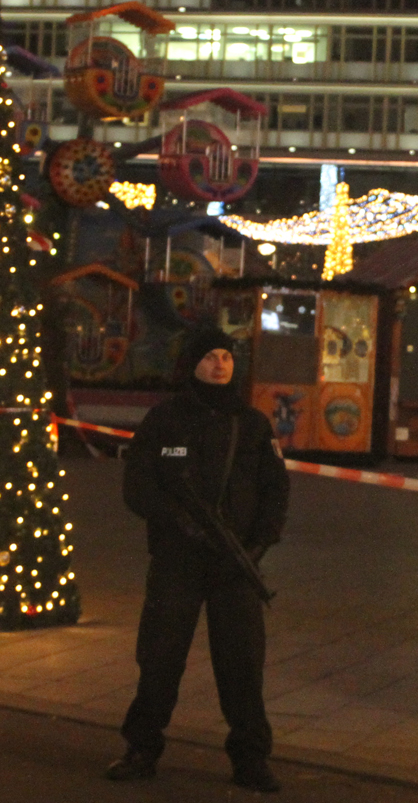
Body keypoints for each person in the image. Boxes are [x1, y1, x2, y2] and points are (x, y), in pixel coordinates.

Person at [105, 326, 291, 793]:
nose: (219, 364)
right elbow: (139, 487)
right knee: (160, 658)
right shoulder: (165, 421)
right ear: (191, 364)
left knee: (242, 664)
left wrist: (260, 543)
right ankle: (141, 748)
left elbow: (275, 489)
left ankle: (250, 758)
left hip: (234, 567)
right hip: (177, 561)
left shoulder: (251, 424)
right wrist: (177, 522)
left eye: (225, 356)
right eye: (209, 356)